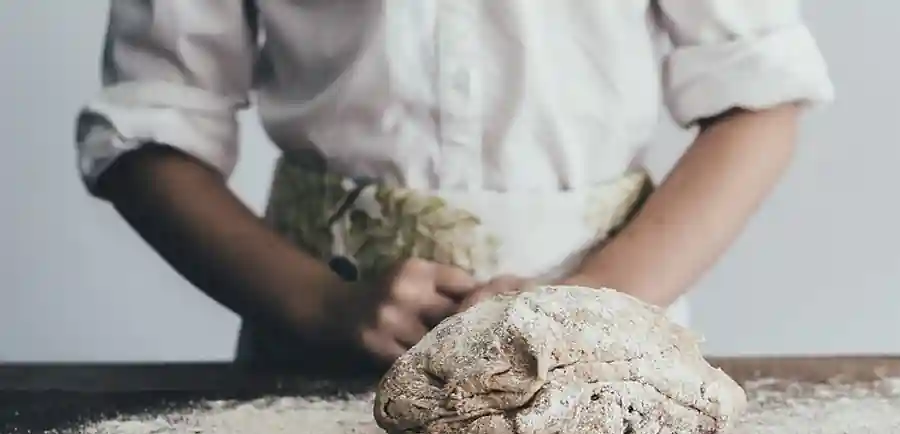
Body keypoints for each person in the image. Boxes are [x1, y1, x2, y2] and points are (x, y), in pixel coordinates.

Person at [76, 2, 833, 372]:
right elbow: (148, 128)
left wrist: (595, 306)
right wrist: (318, 305)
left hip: (608, 344)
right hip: (322, 346)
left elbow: (757, 99)